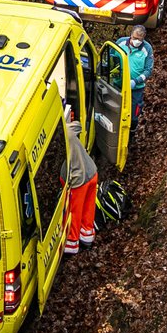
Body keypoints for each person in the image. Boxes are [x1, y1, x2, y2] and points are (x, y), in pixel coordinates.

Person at [61, 107, 99, 255]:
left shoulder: (61, 139)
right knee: (88, 208)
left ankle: (72, 243)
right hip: (91, 172)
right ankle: (87, 236)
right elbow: (78, 125)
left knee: (74, 212)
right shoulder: (69, 131)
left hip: (79, 180)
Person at [122, 25, 154, 122]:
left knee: (133, 116)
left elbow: (148, 70)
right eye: (135, 38)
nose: (137, 41)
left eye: (139, 39)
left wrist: (136, 81)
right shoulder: (121, 42)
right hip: (118, 85)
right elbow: (110, 57)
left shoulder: (147, 49)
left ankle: (131, 133)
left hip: (136, 89)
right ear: (131, 35)